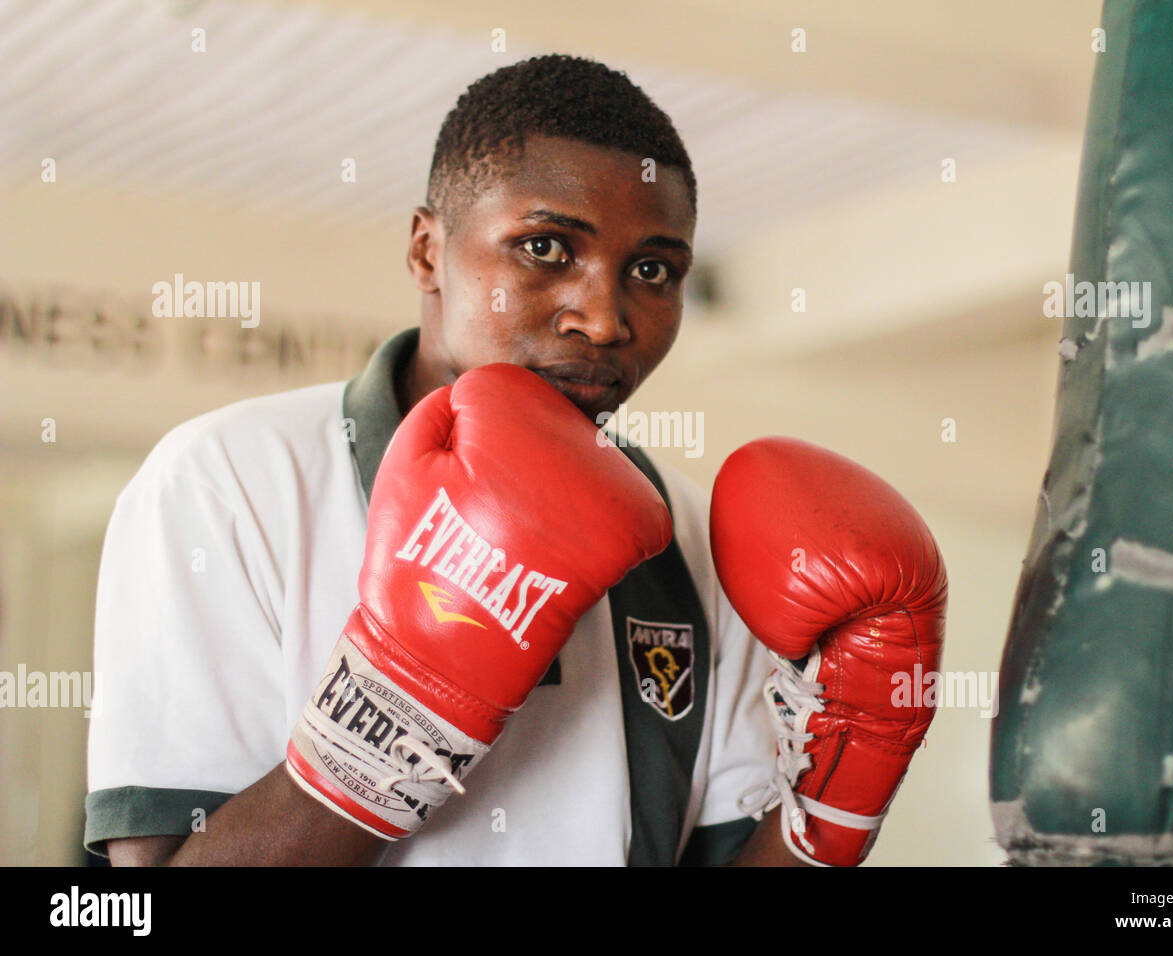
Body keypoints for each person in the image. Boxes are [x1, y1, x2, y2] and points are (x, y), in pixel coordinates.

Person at [85, 53, 796, 866]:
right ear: (428, 252)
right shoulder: (228, 482)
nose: (605, 318)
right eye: (546, 248)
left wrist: (828, 818)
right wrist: (396, 712)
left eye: (651, 270)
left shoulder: (689, 532)